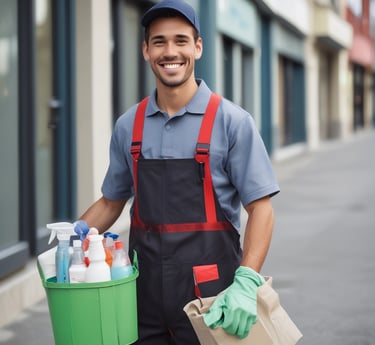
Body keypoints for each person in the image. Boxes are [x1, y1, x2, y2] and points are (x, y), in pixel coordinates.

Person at [78, 0, 279, 344]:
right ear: (145, 50)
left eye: (181, 40)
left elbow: (261, 208)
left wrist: (247, 280)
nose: (170, 51)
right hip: (143, 300)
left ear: (198, 47)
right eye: (159, 42)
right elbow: (112, 202)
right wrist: (74, 236)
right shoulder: (129, 126)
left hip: (213, 301)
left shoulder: (231, 122)